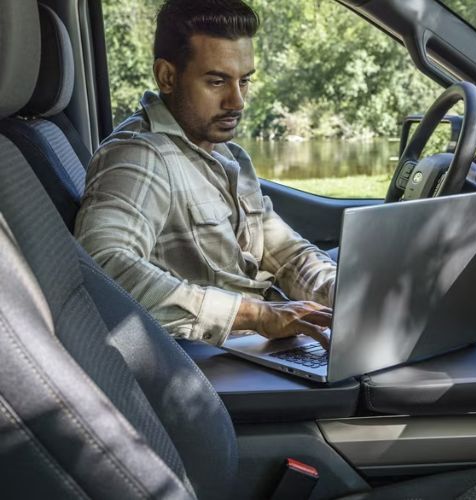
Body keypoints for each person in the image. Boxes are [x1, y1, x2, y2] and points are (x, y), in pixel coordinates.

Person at [75, 0, 336, 349]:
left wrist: (346, 296)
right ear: (167, 76)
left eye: (245, 81)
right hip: (208, 360)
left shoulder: (226, 155)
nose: (237, 101)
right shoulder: (141, 156)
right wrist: (255, 315)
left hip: (259, 346)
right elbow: (101, 267)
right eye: (217, 81)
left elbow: (286, 254)